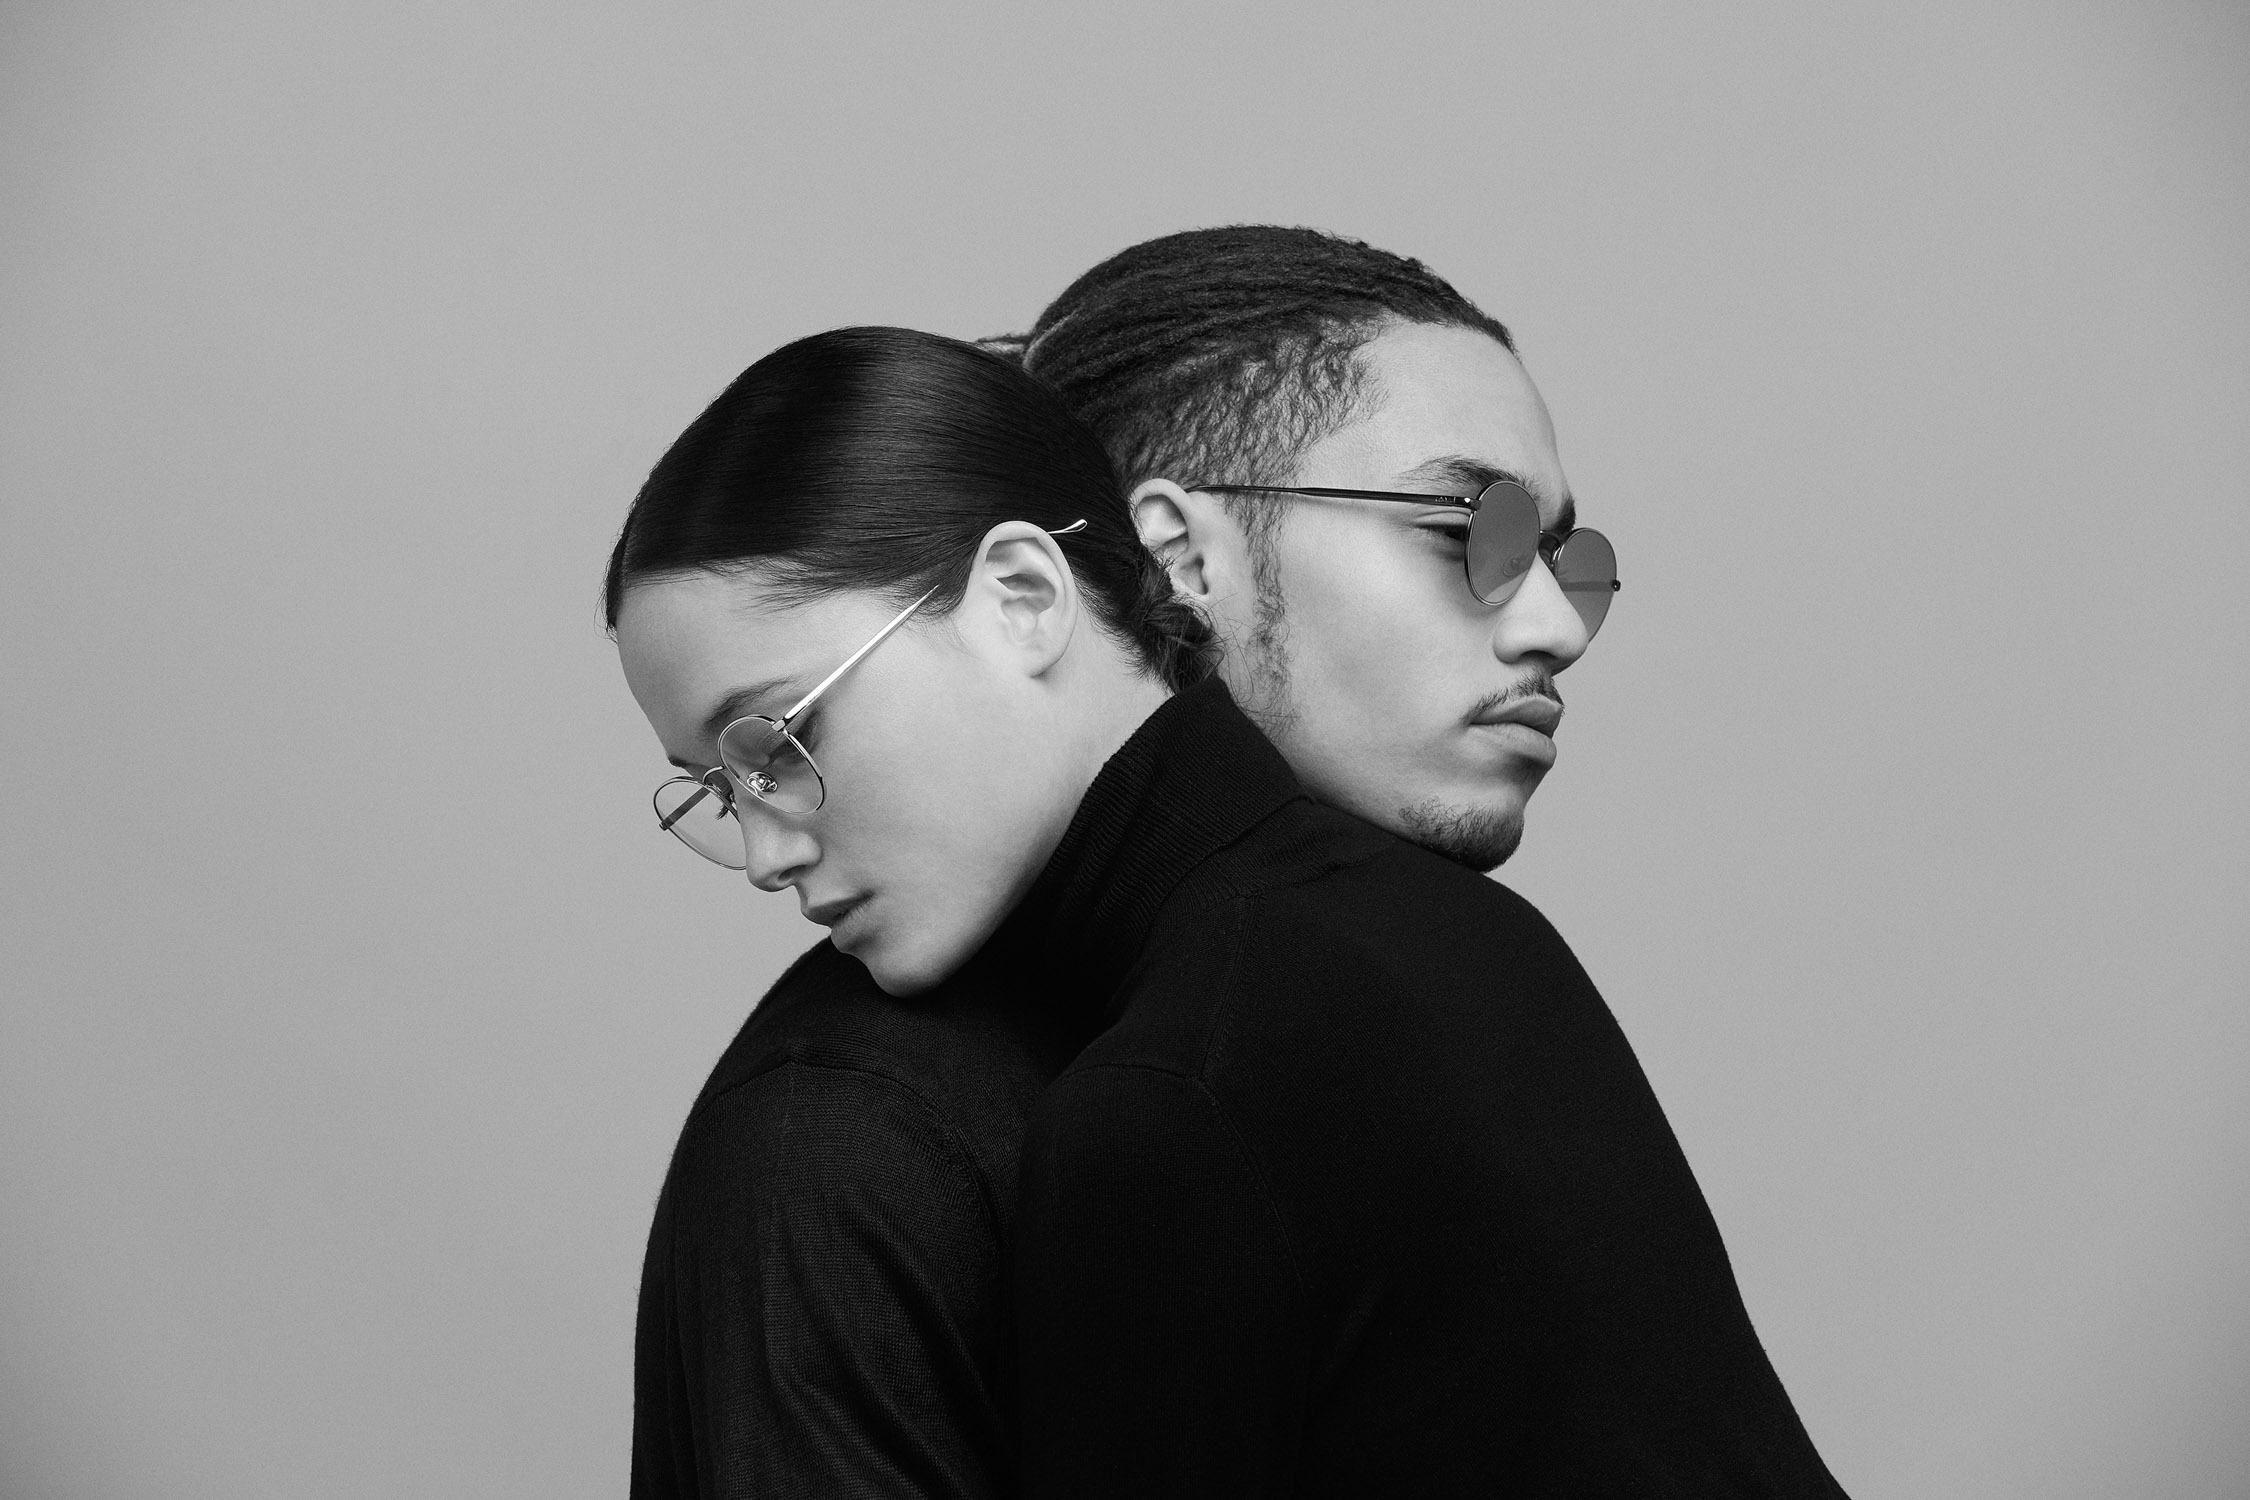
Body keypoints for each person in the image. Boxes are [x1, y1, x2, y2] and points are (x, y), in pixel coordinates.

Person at [989, 227, 1848, 1493]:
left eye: (1564, 559)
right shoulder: (1298, 995)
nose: (1557, 627)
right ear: (1181, 556)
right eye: (1469, 532)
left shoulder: (1314, 1006)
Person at [603, 325, 1214, 1498]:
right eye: (723, 790)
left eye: (780, 741)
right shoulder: (834, 1148)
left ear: (1025, 597)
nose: (766, 858)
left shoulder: (1294, 984)